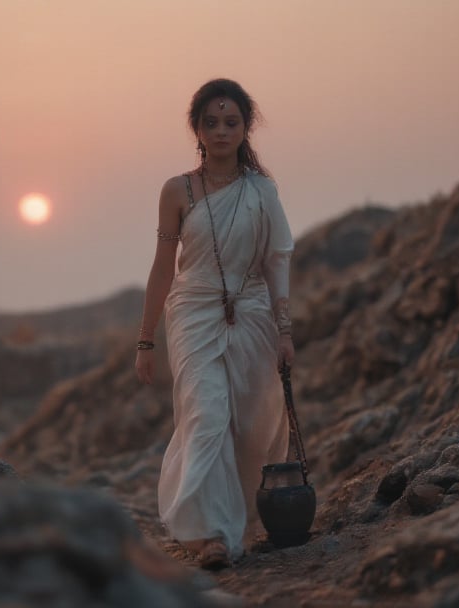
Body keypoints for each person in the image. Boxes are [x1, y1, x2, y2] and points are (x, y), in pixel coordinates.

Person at [135, 78, 295, 570]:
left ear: (246, 128)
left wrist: (285, 331)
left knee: (251, 426)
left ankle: (241, 520)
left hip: (250, 312)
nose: (221, 131)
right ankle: (209, 535)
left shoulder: (261, 190)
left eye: (231, 122)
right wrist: (146, 339)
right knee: (206, 415)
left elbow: (276, 262)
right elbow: (164, 267)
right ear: (197, 130)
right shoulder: (177, 190)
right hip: (193, 311)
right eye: (211, 123)